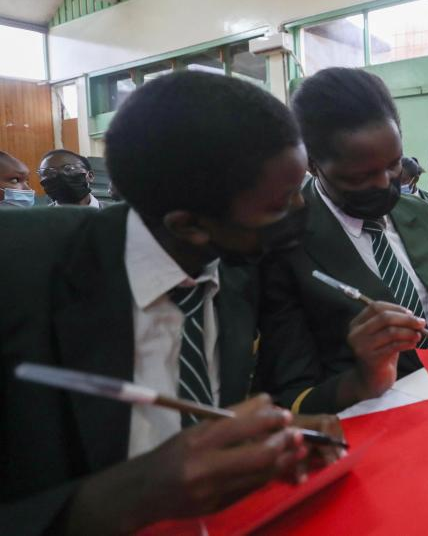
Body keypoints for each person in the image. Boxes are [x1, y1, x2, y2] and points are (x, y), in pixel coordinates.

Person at [0, 71, 397, 534]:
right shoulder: (19, 275)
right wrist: (130, 495)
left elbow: (274, 392)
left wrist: (291, 427)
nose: (300, 213)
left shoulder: (243, 256)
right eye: (279, 203)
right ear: (189, 225)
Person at [263, 67, 428, 410]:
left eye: (393, 166)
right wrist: (361, 379)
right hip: (370, 421)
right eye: (359, 177)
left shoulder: (420, 213)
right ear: (312, 165)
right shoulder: (285, 246)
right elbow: (291, 397)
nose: (382, 184)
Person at [38, 149, 103, 208]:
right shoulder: (37, 219)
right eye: (49, 173)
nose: (60, 176)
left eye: (69, 169)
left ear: (90, 176)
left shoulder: (112, 215)